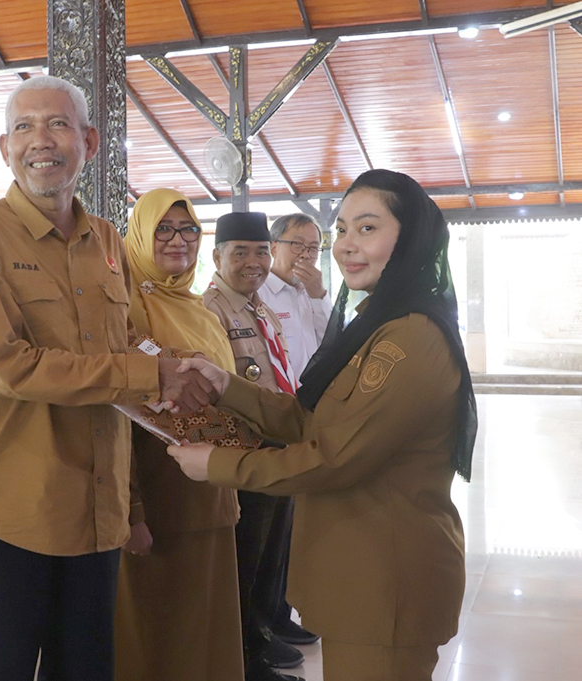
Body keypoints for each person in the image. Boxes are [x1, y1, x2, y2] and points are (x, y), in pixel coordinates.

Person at [0, 75, 214, 681]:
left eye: (58, 124)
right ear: (5, 148)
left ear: (89, 142)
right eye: (23, 127)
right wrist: (152, 373)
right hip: (11, 508)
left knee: (87, 670)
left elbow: (124, 356)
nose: (41, 140)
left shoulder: (107, 240)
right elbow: (6, 367)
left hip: (97, 508)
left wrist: (180, 369)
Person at [167, 169, 477, 681]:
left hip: (386, 578)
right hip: (357, 569)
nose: (347, 245)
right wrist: (227, 386)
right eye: (344, 229)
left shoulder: (411, 337)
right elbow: (311, 419)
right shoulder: (378, 323)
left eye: (368, 228)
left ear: (412, 237)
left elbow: (333, 457)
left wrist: (218, 464)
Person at [114, 188, 244, 681]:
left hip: (212, 491)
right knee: (154, 637)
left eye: (188, 229)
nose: (178, 240)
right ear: (139, 237)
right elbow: (119, 417)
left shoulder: (201, 311)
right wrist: (132, 511)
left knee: (206, 630)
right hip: (158, 499)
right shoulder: (126, 310)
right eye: (163, 229)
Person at [202, 212, 305, 681]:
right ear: (217, 257)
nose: (254, 262)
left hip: (278, 440)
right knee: (248, 555)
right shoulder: (212, 309)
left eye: (261, 251)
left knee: (274, 549)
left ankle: (265, 628)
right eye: (239, 252)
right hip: (247, 448)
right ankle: (245, 651)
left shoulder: (257, 306)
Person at [259, 214, 332, 379]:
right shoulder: (258, 295)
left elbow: (333, 343)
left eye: (313, 248)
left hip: (319, 390)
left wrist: (319, 296)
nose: (306, 255)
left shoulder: (315, 293)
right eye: (298, 245)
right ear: (274, 248)